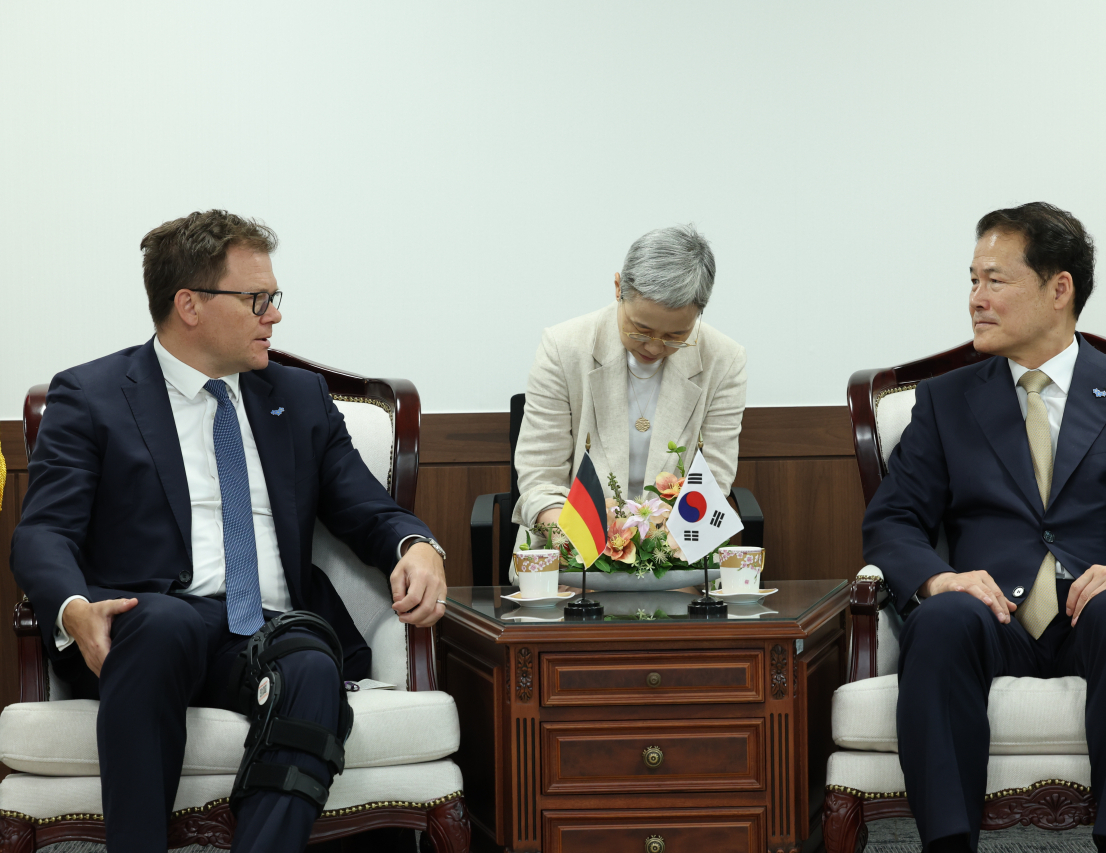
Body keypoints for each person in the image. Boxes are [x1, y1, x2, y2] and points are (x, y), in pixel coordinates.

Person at [10, 210, 448, 853]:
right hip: (148, 630)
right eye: (257, 299)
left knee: (310, 661)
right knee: (166, 624)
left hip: (267, 626)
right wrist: (74, 608)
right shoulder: (94, 395)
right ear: (189, 304)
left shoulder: (297, 398)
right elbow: (42, 531)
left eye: (274, 298)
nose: (274, 315)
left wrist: (418, 547)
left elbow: (367, 509)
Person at [861, 202, 1106, 853]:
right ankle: (948, 844)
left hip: (1098, 613)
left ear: (1059, 288)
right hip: (992, 615)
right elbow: (894, 520)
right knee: (941, 618)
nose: (975, 300)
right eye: (971, 280)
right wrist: (938, 579)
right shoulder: (944, 400)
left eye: (995, 280)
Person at [512, 224, 746, 543]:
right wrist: (579, 542)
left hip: (675, 550)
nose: (653, 347)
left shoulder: (724, 360)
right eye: (640, 329)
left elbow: (713, 486)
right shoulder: (563, 347)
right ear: (618, 287)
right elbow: (539, 481)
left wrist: (666, 559)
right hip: (569, 547)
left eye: (676, 336)